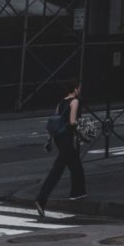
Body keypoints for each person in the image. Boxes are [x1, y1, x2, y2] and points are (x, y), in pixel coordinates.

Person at [35, 81, 86, 216]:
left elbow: (55, 121)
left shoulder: (61, 102)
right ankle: (41, 199)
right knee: (57, 170)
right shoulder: (75, 101)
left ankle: (78, 193)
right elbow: (72, 121)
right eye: (79, 88)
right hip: (67, 139)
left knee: (76, 165)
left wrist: (49, 139)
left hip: (59, 138)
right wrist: (84, 126)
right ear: (75, 89)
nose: (80, 90)